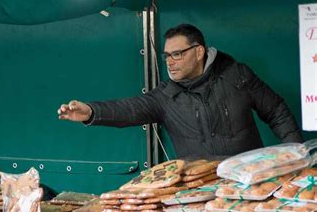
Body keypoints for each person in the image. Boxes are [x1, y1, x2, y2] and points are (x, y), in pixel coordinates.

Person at [58, 23, 303, 157]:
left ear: (199, 52)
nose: (170, 61)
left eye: (177, 54)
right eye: (166, 56)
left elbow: (277, 111)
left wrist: (295, 154)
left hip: (248, 185)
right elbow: (129, 109)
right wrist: (91, 112)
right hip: (197, 194)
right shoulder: (165, 96)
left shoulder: (237, 75)